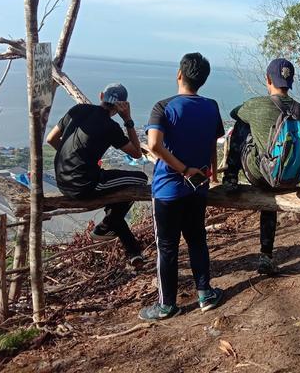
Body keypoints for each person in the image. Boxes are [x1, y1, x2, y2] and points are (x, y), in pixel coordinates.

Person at [139, 53, 224, 321]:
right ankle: (205, 294)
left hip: (168, 189)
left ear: (179, 74)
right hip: (198, 188)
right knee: (197, 239)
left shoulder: (163, 106)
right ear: (203, 80)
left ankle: (167, 305)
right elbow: (213, 141)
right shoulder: (211, 106)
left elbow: (154, 145)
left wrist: (183, 169)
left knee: (167, 247)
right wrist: (211, 173)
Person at [222, 58, 300, 275]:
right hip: (292, 176)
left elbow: (235, 113)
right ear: (291, 81)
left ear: (268, 79)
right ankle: (266, 255)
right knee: (270, 173)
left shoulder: (258, 104)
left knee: (241, 125)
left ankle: (230, 178)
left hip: (263, 177)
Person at [47, 83, 148, 267]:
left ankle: (133, 251)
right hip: (85, 184)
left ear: (101, 95)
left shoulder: (77, 109)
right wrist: (128, 119)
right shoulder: (110, 126)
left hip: (61, 181)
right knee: (140, 180)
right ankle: (106, 226)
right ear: (122, 105)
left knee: (115, 202)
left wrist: (72, 158)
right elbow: (137, 153)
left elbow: (51, 139)